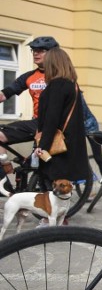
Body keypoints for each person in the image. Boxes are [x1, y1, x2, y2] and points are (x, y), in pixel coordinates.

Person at [0, 36, 57, 196]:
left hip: (54, 124)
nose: (36, 54)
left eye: (41, 51)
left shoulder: (61, 75)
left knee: (46, 166)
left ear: (52, 53)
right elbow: (5, 93)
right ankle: (7, 177)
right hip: (36, 122)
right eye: (34, 50)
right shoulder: (29, 76)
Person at [34, 48, 89, 189]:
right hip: (70, 142)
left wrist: (42, 147)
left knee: (52, 187)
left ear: (52, 64)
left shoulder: (57, 86)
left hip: (57, 146)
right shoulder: (72, 85)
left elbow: (51, 119)